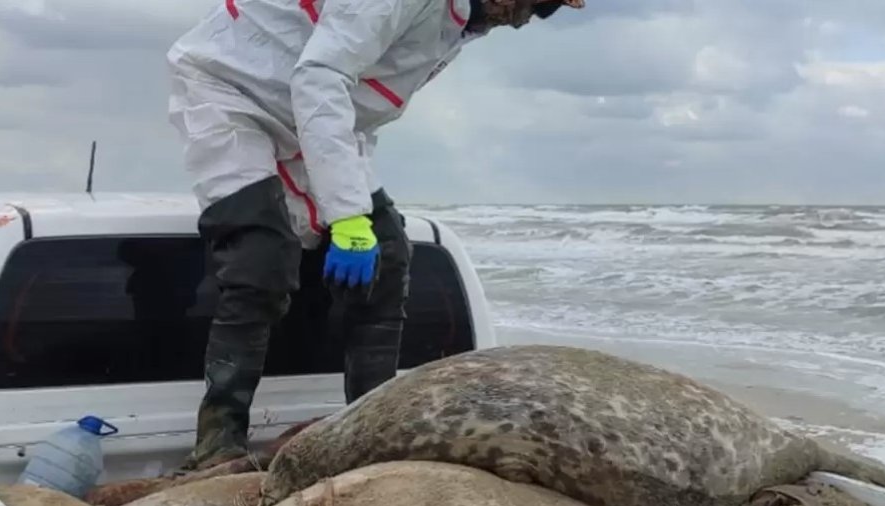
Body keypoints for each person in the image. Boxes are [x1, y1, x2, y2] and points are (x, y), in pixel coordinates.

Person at [166, 0, 584, 471]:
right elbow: (321, 76)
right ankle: (218, 444)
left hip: (318, 119)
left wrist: (353, 210)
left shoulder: (462, 23)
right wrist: (346, 217)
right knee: (260, 258)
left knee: (388, 251)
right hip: (235, 95)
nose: (528, 19)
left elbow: (360, 102)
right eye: (538, 4)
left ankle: (370, 431)